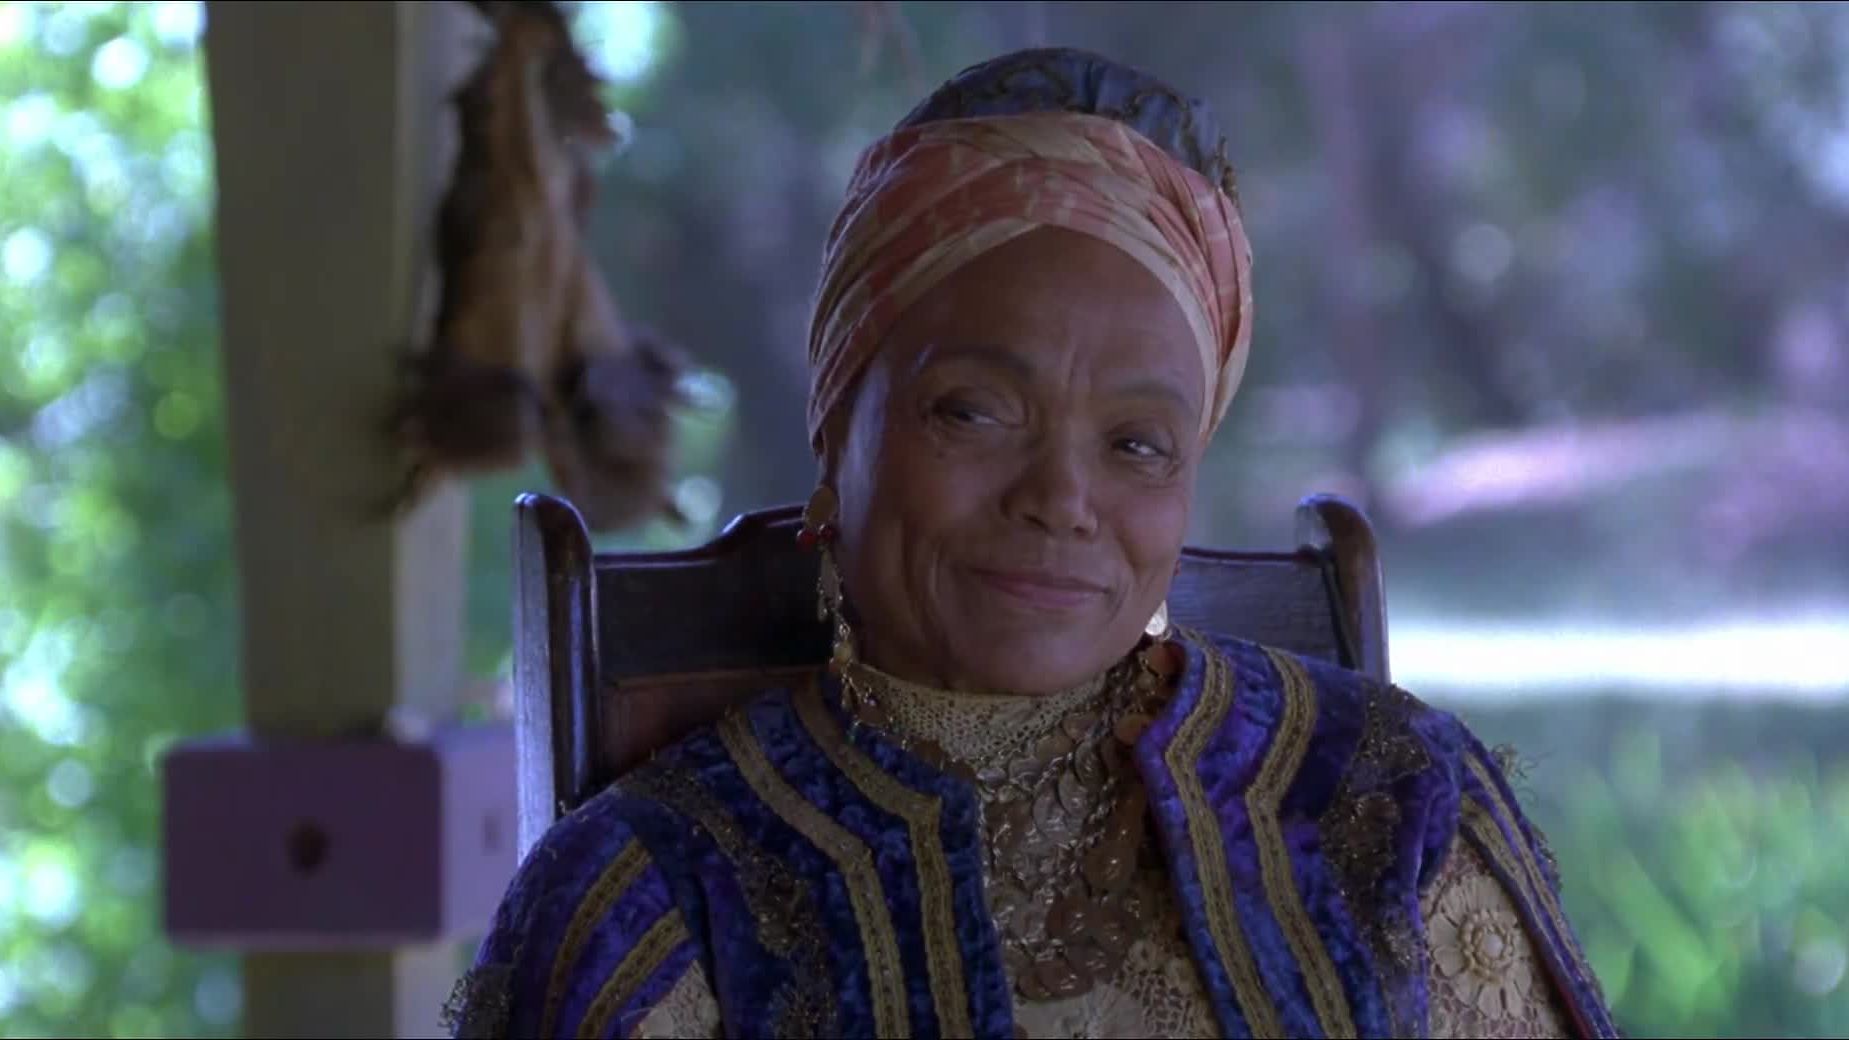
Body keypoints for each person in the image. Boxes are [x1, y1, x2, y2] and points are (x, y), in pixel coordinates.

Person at [443, 47, 1620, 1039]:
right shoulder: (658, 883)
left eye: (1138, 444)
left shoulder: (1391, 792)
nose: (1061, 496)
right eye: (973, 411)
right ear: (835, 430)